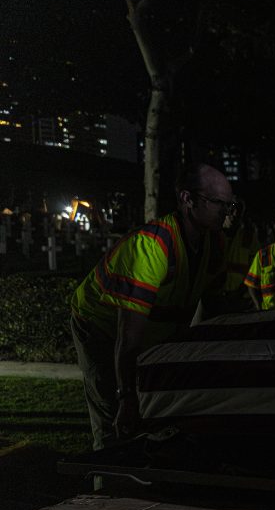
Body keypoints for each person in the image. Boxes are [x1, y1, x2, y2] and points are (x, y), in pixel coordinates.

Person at [70, 163, 232, 449]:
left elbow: (212, 308)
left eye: (229, 204)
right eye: (217, 203)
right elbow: (127, 338)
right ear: (187, 200)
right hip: (100, 328)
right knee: (113, 415)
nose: (225, 212)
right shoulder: (151, 247)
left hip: (146, 333)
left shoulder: (214, 244)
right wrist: (127, 397)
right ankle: (107, 476)